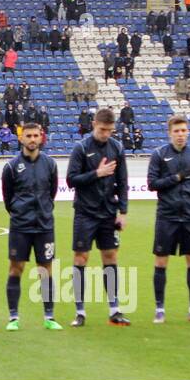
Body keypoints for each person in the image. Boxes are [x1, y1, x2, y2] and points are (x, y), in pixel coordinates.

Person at [66, 107, 131, 327]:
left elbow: (122, 182)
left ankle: (115, 309)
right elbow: (71, 180)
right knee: (80, 259)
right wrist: (97, 174)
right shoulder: (81, 148)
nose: (106, 134)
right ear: (94, 124)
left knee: (110, 257)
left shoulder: (117, 148)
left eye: (110, 130)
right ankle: (80, 311)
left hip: (107, 213)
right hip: (85, 212)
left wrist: (123, 211)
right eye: (103, 129)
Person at [146, 115, 190, 324]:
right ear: (170, 133)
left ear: (188, 132)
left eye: (184, 130)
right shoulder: (159, 155)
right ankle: (159, 309)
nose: (181, 135)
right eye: (177, 131)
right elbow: (152, 184)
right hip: (167, 217)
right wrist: (177, 178)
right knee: (161, 261)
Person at [1, 123, 62, 331]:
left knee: (45, 270)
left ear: (41, 138)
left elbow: (51, 192)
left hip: (44, 226)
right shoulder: (11, 166)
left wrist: (43, 211)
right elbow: (7, 199)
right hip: (20, 226)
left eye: (36, 135)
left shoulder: (51, 165)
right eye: (29, 135)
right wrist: (20, 213)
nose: (33, 139)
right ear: (21, 138)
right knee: (16, 268)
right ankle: (13, 317)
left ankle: (49, 316)